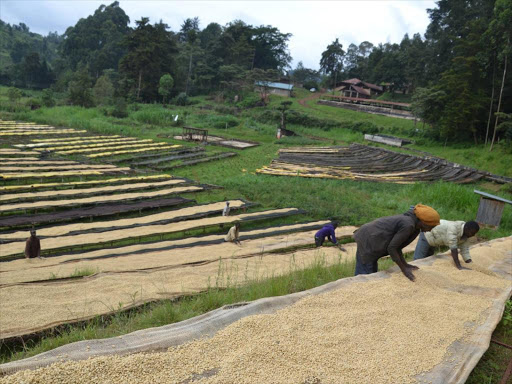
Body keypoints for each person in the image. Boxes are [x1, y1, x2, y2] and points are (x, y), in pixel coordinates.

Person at [353, 204, 440, 282]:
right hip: (368, 239)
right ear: (424, 223)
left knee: (371, 270)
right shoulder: (408, 225)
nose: (431, 230)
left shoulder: (415, 228)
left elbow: (398, 247)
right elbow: (392, 248)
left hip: (375, 239)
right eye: (431, 226)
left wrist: (406, 265)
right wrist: (404, 269)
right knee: (364, 274)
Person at [413, 220, 480, 269]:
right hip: (427, 235)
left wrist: (470, 263)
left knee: (427, 262)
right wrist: (459, 266)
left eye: (474, 233)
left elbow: (464, 249)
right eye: (472, 233)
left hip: (435, 240)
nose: (473, 235)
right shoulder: (454, 228)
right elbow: (453, 248)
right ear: (467, 229)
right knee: (417, 260)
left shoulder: (466, 236)